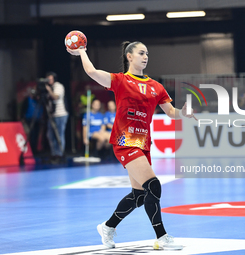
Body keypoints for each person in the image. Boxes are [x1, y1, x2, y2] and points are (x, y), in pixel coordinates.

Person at [67, 41, 194, 250]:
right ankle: (162, 237)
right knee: (153, 185)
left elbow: (171, 112)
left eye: (147, 54)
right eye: (141, 53)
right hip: (125, 141)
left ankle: (108, 227)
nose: (145, 57)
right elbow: (91, 71)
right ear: (129, 56)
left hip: (143, 143)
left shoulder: (156, 86)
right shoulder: (120, 80)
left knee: (139, 196)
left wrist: (184, 114)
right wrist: (82, 52)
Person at [45, 72, 68, 162]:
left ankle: (60, 154)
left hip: (61, 114)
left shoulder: (59, 86)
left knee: (59, 135)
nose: (49, 81)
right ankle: (54, 153)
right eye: (48, 79)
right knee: (50, 135)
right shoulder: (48, 88)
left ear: (54, 79)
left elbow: (55, 97)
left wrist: (49, 90)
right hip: (52, 114)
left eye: (50, 79)